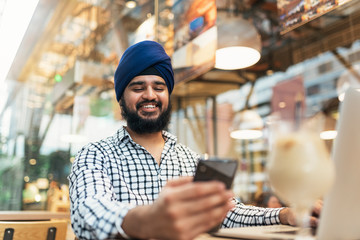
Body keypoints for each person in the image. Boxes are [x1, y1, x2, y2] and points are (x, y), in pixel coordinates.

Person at [68, 40, 318, 240]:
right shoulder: (95, 155)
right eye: (137, 87)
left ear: (168, 94)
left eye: (159, 86)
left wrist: (284, 214)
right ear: (121, 97)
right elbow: (87, 213)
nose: (149, 95)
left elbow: (228, 213)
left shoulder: (191, 158)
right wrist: (148, 220)